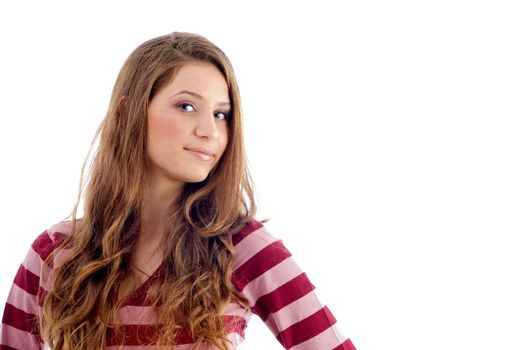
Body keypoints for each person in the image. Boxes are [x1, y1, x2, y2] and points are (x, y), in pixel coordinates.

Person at [0, 32, 356, 349]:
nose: (209, 130)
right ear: (129, 113)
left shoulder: (243, 248)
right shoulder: (53, 254)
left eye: (222, 114)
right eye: (187, 106)